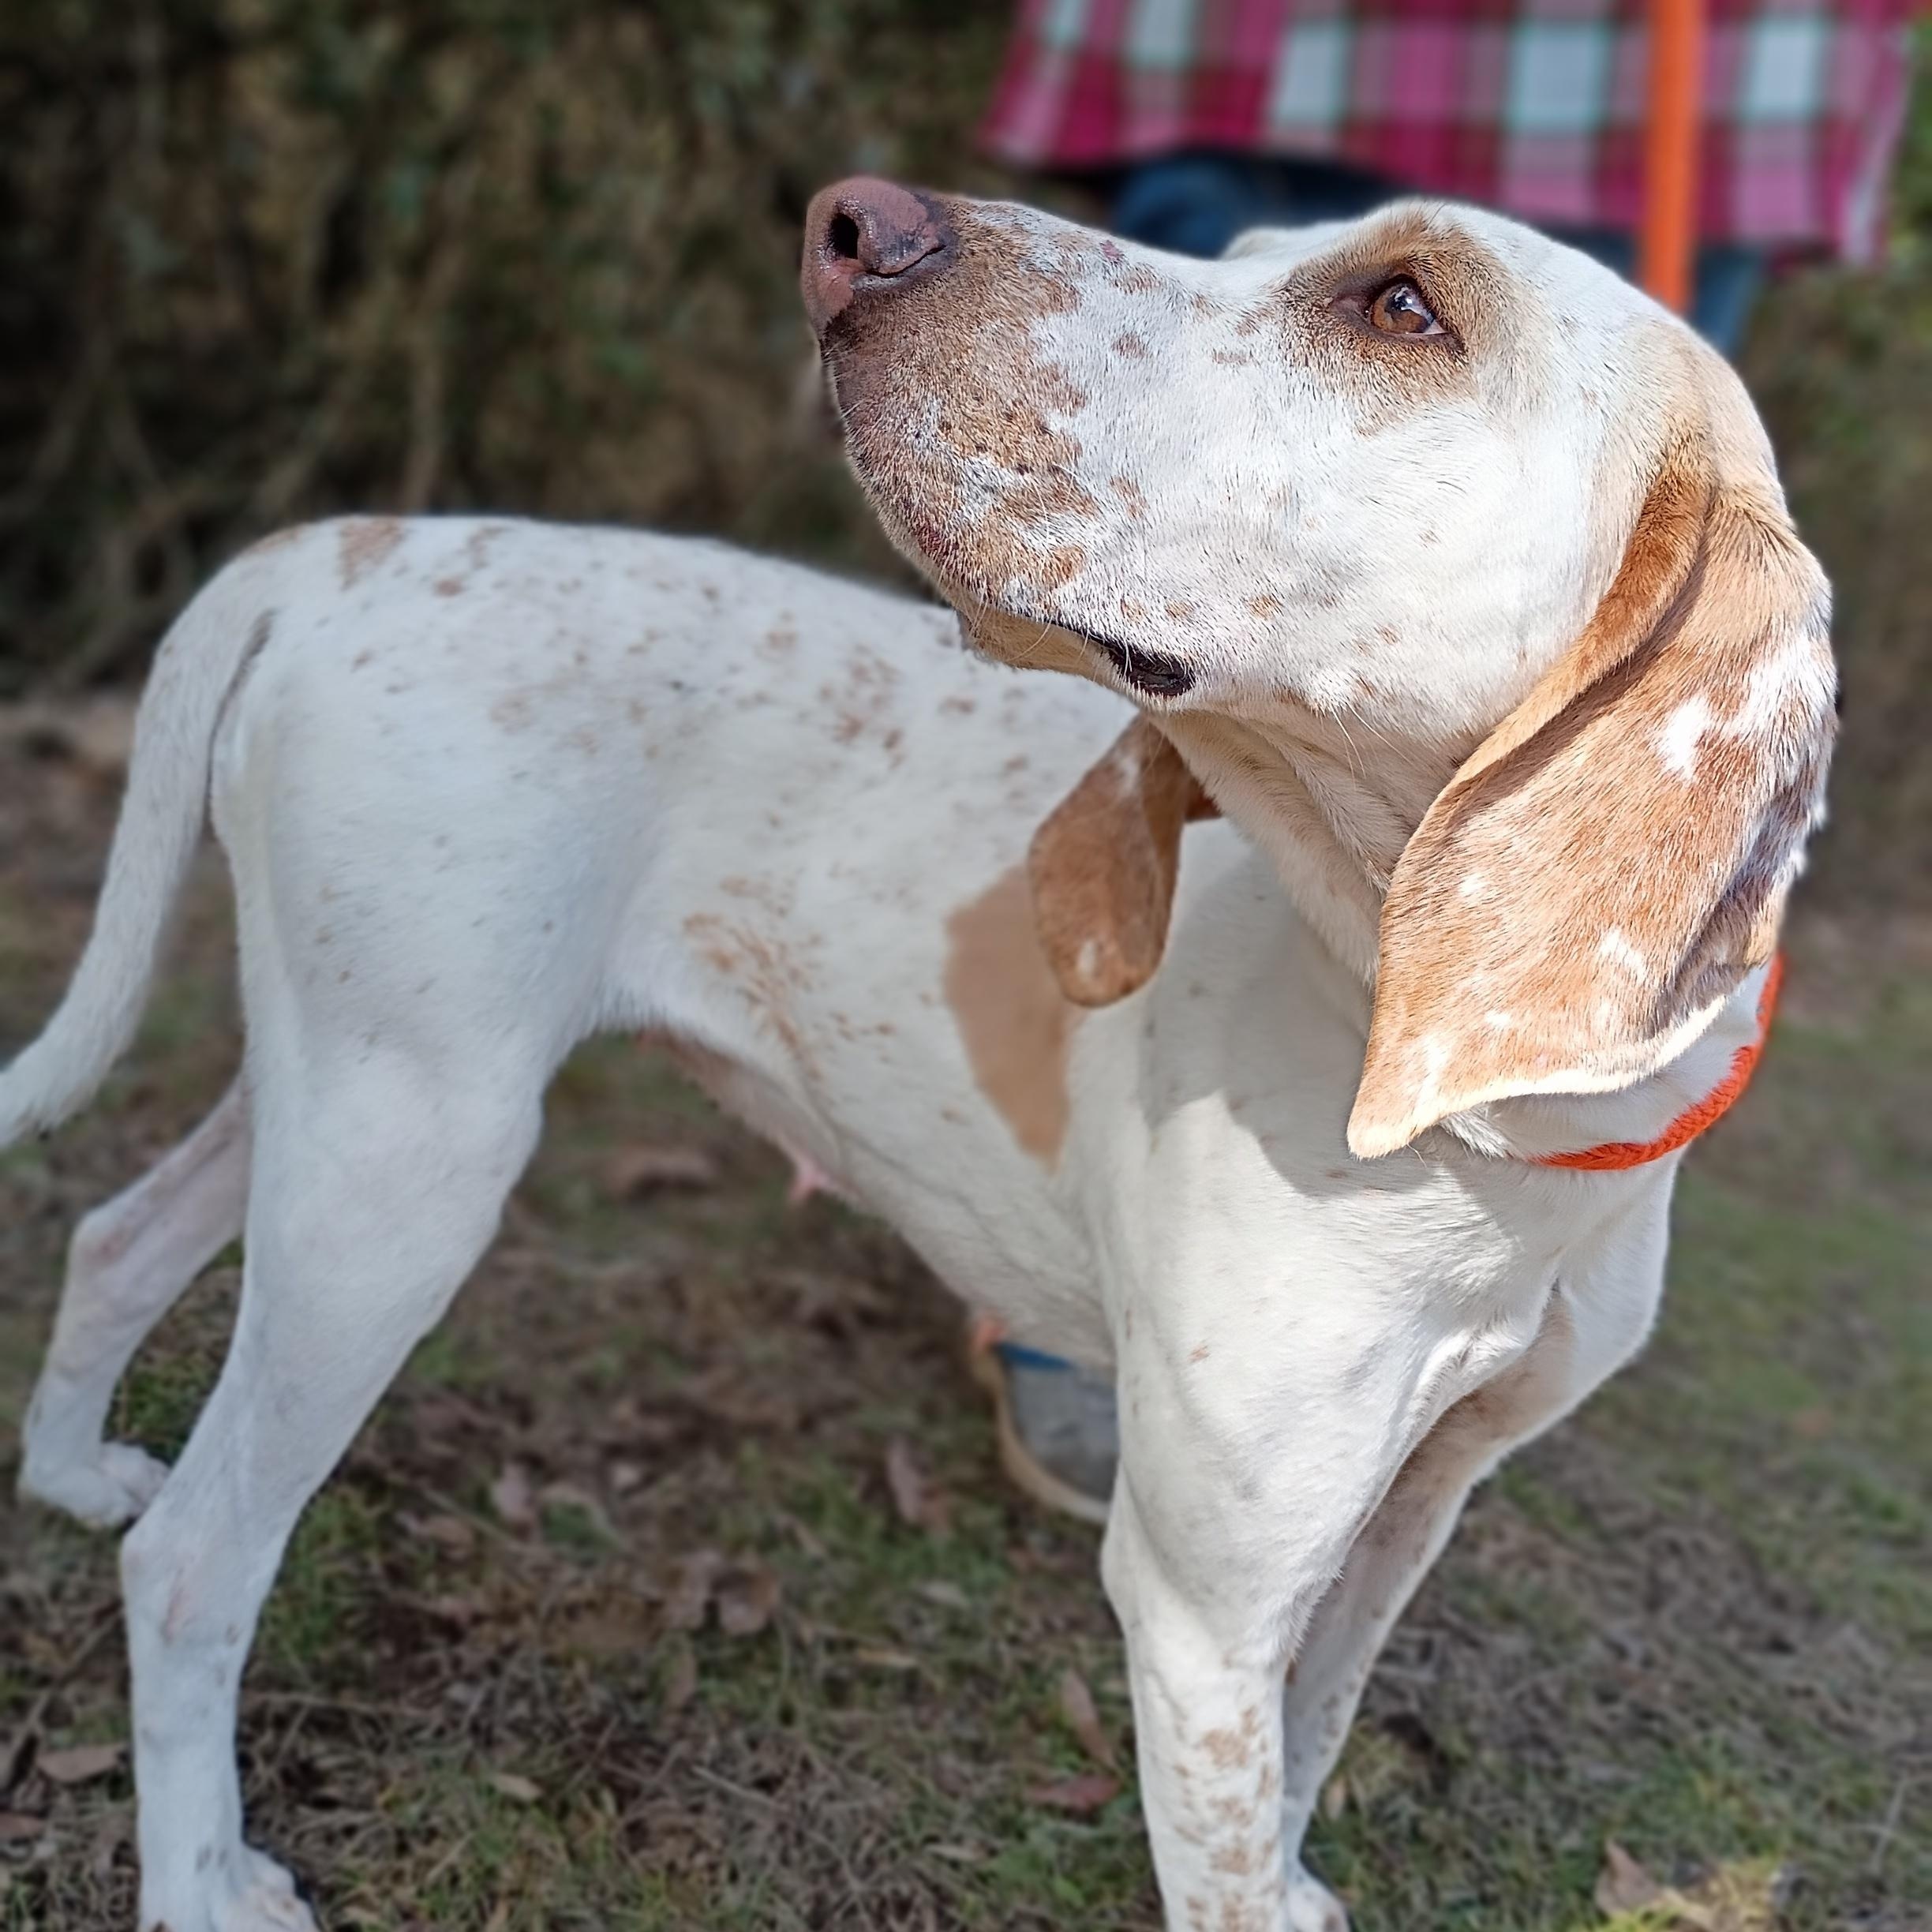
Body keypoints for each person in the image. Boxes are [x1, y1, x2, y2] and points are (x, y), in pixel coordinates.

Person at [970, 0, 1917, 1516]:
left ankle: (1421, 1280)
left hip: (1702, 65)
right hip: (1266, 39)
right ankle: (1082, 1219)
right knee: (1150, 550)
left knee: (1556, 647)